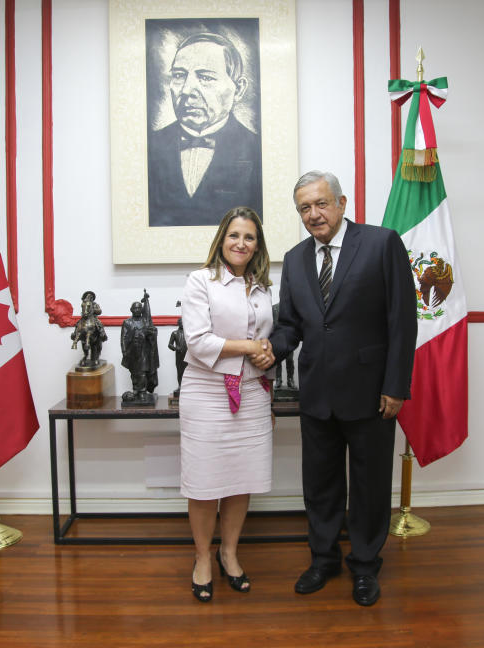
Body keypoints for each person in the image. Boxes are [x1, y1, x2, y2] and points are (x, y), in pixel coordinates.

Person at [253, 171, 416, 606]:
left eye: (321, 203)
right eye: (304, 208)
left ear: (341, 203)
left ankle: (364, 565)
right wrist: (271, 349)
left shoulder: (382, 244)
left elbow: (402, 321)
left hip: (372, 393)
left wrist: (396, 385)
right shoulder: (295, 259)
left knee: (369, 485)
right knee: (320, 484)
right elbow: (291, 324)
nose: (314, 214)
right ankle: (323, 559)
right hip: (318, 393)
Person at [179, 206, 275, 602]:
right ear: (222, 239)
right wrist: (252, 346)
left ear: (257, 246)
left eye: (249, 237)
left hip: (252, 392)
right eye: (234, 235)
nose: (241, 243)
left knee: (241, 479)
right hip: (206, 391)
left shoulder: (263, 286)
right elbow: (198, 341)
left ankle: (229, 552)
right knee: (204, 483)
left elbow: (268, 335)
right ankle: (203, 558)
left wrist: (267, 351)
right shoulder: (200, 281)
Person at [147, 32, 263, 227]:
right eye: (179, 76)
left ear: (239, 88)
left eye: (205, 77)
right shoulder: (149, 148)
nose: (186, 90)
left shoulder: (258, 150)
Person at [120, 292, 159, 405]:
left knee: (143, 372)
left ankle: (142, 391)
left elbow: (152, 332)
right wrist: (124, 351)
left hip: (144, 352)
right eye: (135, 308)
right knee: (134, 373)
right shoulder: (127, 322)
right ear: (131, 309)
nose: (137, 310)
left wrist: (151, 333)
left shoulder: (145, 321)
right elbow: (123, 338)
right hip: (132, 352)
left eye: (139, 308)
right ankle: (136, 390)